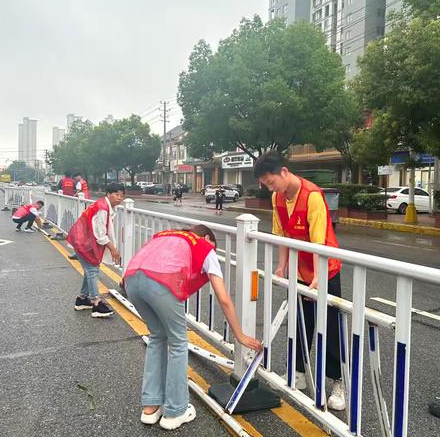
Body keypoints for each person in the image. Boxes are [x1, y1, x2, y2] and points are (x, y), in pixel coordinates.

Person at [123, 225, 262, 430]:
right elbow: (223, 299)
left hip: (132, 280)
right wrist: (240, 335)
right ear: (207, 238)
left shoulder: (166, 235)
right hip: (162, 283)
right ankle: (175, 411)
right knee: (178, 343)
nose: (212, 251)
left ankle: (150, 408)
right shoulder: (205, 247)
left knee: (157, 337)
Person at [253, 151, 345, 411]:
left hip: (324, 269)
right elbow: (282, 235)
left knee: (330, 327)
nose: (271, 188)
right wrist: (282, 266)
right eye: (267, 185)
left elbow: (319, 243)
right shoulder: (277, 197)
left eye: (271, 182)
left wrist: (317, 276)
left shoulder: (312, 196)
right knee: (300, 322)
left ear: (284, 172)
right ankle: (299, 373)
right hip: (300, 270)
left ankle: (338, 382)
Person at [67, 183, 125, 318]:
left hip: (83, 240)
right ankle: (96, 302)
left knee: (90, 270)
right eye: (116, 194)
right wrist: (113, 249)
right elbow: (100, 234)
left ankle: (82, 299)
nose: (119, 198)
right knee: (92, 270)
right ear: (108, 194)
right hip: (84, 241)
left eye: (122, 196)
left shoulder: (104, 205)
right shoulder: (103, 208)